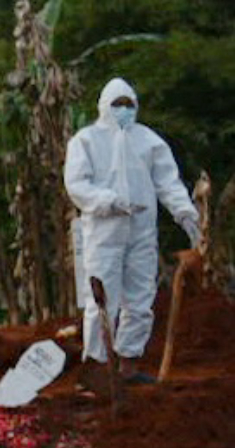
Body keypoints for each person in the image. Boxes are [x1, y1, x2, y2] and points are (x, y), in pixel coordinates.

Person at [65, 78, 201, 387]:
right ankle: (97, 368)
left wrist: (186, 215)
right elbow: (77, 185)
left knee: (140, 299)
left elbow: (168, 183)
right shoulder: (86, 141)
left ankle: (128, 365)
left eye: (128, 104)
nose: (123, 110)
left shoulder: (149, 141)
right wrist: (108, 201)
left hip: (141, 231)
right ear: (104, 105)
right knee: (102, 301)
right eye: (117, 104)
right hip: (104, 233)